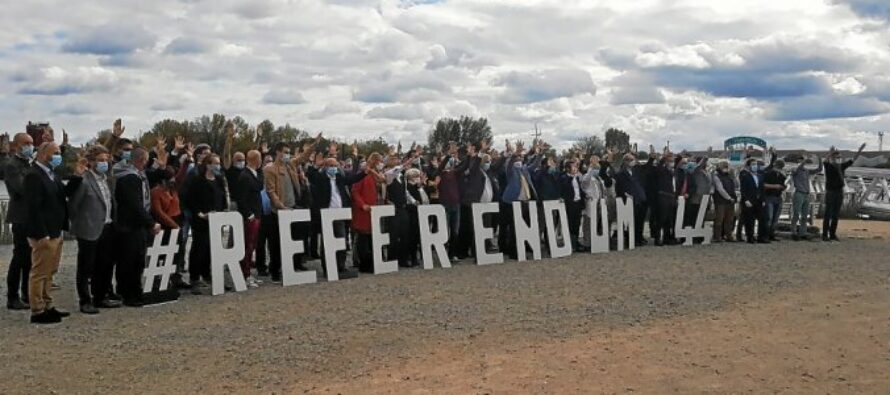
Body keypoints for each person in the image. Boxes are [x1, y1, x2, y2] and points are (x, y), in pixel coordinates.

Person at [67, 145, 122, 314]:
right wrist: (79, 223)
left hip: (107, 226)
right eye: (100, 161)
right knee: (86, 266)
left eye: (106, 160)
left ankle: (101, 296)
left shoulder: (106, 179)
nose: (104, 163)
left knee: (104, 264)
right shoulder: (84, 180)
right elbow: (73, 205)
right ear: (91, 162)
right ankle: (85, 300)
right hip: (88, 228)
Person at [24, 142, 74, 324]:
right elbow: (33, 208)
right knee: (39, 272)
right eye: (56, 153)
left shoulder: (52, 175)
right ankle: (37, 310)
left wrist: (77, 176)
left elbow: (63, 194)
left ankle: (47, 304)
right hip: (44, 233)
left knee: (50, 271)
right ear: (44, 154)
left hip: (56, 230)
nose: (58, 156)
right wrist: (41, 234)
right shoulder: (33, 175)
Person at [114, 147, 164, 306]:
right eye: (146, 159)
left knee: (136, 261)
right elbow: (135, 204)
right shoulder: (130, 178)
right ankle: (129, 293)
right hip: (130, 225)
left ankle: (133, 290)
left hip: (135, 225)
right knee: (130, 261)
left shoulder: (138, 176)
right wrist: (150, 222)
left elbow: (153, 176)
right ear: (141, 160)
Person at [307, 154, 364, 274]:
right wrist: (316, 165)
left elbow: (352, 179)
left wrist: (364, 172)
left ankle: (341, 266)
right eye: (331, 166)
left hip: (340, 214)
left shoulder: (339, 177)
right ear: (326, 167)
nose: (334, 168)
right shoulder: (320, 178)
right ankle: (327, 267)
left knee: (341, 240)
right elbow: (311, 175)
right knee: (326, 243)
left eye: (335, 166)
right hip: (326, 215)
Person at [264, 143, 311, 282]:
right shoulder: (270, 169)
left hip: (293, 207)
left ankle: (294, 266)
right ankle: (275, 271)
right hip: (278, 211)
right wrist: (280, 206)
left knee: (296, 239)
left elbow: (303, 156)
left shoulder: (290, 165)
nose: (287, 155)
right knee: (276, 243)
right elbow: (271, 191)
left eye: (289, 152)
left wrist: (314, 144)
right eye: (285, 152)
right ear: (277, 152)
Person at [183, 154, 228, 293]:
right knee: (199, 248)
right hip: (201, 220)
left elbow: (222, 197)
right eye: (215, 163)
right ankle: (195, 278)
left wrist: (224, 210)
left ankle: (208, 275)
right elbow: (190, 199)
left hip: (216, 220)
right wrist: (200, 214)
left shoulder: (219, 179)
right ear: (208, 165)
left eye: (219, 163)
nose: (218, 166)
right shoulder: (198, 180)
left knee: (212, 249)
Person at [3, 132, 34, 310]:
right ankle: (12, 296)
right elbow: (22, 188)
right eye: (26, 143)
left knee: (30, 259)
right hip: (21, 217)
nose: (29, 147)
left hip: (32, 216)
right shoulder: (12, 165)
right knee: (19, 257)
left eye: (31, 143)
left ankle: (26, 293)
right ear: (17, 145)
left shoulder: (29, 163)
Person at [150, 168, 188, 288]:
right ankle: (158, 279)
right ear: (162, 181)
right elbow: (158, 212)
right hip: (165, 225)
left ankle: (176, 276)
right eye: (170, 178)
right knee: (162, 252)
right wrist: (174, 225)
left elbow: (180, 177)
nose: (173, 180)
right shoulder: (155, 192)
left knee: (178, 252)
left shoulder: (173, 189)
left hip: (177, 221)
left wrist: (186, 162)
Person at [822, 144, 866, 241]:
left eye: (840, 157)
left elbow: (853, 160)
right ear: (833, 158)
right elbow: (824, 161)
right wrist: (830, 153)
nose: (839, 159)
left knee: (835, 214)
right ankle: (825, 235)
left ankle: (832, 234)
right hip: (830, 192)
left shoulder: (841, 166)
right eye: (837, 157)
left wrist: (860, 150)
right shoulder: (828, 166)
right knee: (828, 213)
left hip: (839, 191)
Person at [352, 152, 385, 272]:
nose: (381, 164)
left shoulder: (374, 175)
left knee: (371, 239)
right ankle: (364, 264)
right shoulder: (363, 174)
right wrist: (362, 205)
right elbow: (355, 191)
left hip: (373, 210)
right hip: (364, 211)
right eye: (380, 161)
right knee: (363, 240)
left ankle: (373, 263)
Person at [236, 150, 265, 288]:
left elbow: (259, 185)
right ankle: (244, 274)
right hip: (251, 216)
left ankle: (248, 272)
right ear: (255, 159)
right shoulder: (245, 176)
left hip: (257, 213)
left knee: (253, 245)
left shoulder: (254, 174)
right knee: (248, 245)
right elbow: (242, 198)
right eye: (259, 158)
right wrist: (249, 214)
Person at [613, 153, 647, 246]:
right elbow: (619, 188)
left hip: (640, 198)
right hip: (629, 200)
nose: (632, 162)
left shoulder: (637, 172)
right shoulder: (620, 174)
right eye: (630, 160)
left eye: (633, 159)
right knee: (632, 221)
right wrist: (625, 195)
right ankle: (631, 239)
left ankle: (639, 238)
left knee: (640, 221)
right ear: (625, 161)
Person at [790, 154, 823, 240]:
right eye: (799, 160)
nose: (801, 162)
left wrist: (820, 159)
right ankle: (793, 232)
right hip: (799, 193)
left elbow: (819, 169)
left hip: (806, 194)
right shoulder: (795, 170)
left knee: (805, 215)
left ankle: (802, 232)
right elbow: (798, 169)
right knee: (796, 213)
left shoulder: (807, 171)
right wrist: (805, 160)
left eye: (802, 160)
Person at [559, 159, 586, 252]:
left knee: (577, 224)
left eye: (576, 166)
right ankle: (571, 243)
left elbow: (580, 190)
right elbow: (564, 189)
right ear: (567, 168)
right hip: (570, 204)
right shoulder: (564, 178)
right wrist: (571, 177)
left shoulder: (577, 178)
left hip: (577, 203)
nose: (575, 168)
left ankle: (576, 242)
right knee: (570, 224)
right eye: (573, 166)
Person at [739, 158, 768, 244]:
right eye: (753, 164)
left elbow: (762, 189)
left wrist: (763, 199)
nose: (755, 166)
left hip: (759, 200)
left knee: (762, 219)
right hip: (749, 201)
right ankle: (750, 237)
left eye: (756, 164)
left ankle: (761, 237)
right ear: (748, 166)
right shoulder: (745, 175)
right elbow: (743, 189)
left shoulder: (760, 175)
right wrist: (746, 200)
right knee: (750, 220)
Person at [711, 161, 737, 242]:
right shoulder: (716, 176)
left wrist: (733, 175)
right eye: (724, 166)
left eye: (727, 166)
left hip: (730, 200)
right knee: (719, 219)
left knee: (729, 219)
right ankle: (717, 236)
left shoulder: (729, 176)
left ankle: (728, 235)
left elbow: (736, 185)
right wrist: (728, 198)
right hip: (720, 201)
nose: (726, 168)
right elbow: (720, 189)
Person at [762, 158, 787, 241]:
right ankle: (765, 235)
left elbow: (782, 185)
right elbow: (763, 185)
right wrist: (775, 186)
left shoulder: (782, 176)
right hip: (769, 196)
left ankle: (771, 234)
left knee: (775, 218)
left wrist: (783, 187)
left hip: (778, 197)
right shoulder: (768, 173)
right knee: (769, 217)